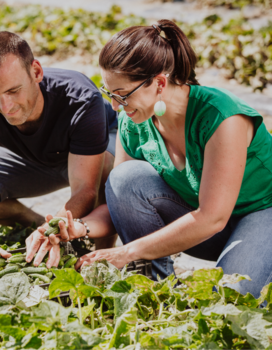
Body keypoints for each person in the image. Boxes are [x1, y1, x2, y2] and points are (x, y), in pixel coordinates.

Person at [48, 20, 272, 299]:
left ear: (159, 83)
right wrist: (78, 227)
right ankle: (157, 289)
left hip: (261, 215)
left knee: (233, 298)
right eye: (110, 94)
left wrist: (126, 252)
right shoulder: (134, 122)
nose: (116, 106)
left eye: (122, 95)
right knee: (123, 179)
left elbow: (212, 217)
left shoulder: (221, 118)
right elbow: (119, 202)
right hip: (207, 228)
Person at [0, 31, 118, 276]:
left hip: (88, 156)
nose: (6, 107)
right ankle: (28, 219)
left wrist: (54, 228)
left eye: (13, 91)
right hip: (32, 159)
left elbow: (85, 188)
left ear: (36, 72)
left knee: (114, 175)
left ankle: (98, 257)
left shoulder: (80, 97)